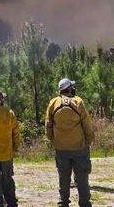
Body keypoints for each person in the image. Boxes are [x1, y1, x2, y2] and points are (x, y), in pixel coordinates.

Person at [45, 78, 94, 207]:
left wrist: (53, 140)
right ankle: (84, 203)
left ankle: (63, 203)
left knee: (63, 178)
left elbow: (48, 125)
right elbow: (87, 125)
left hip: (61, 148)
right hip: (79, 148)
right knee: (82, 178)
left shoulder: (53, 103)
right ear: (70, 88)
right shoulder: (78, 101)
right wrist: (88, 141)